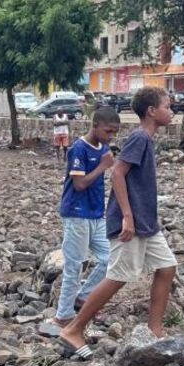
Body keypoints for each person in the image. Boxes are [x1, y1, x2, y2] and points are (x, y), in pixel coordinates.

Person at [59, 87, 178, 359]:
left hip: (147, 222)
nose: (171, 112)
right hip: (132, 221)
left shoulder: (146, 139)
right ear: (151, 111)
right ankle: (73, 329)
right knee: (118, 276)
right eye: (167, 106)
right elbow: (117, 174)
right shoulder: (138, 137)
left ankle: (155, 327)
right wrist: (127, 216)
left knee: (167, 266)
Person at [53, 107, 120, 329]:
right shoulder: (78, 149)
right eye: (108, 131)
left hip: (95, 214)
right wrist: (102, 166)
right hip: (76, 213)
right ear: (95, 125)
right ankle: (63, 314)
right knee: (74, 265)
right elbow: (79, 184)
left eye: (114, 133)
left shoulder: (103, 148)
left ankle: (83, 295)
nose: (111, 136)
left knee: (110, 258)